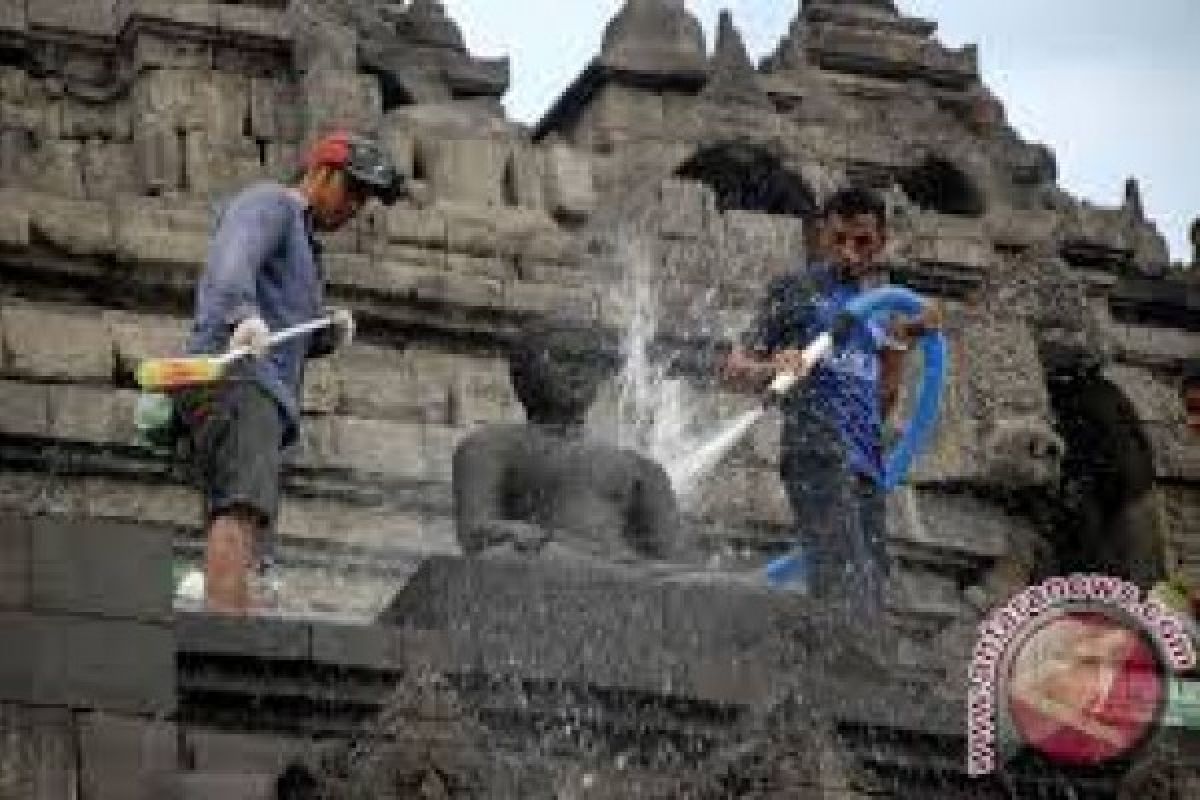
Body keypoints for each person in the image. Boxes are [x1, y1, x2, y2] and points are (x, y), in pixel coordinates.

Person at [179, 131, 403, 614]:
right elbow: (230, 257)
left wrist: (323, 333)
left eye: (365, 198)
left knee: (249, 519)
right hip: (238, 377)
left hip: (260, 388)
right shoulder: (271, 205)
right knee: (239, 509)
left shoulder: (306, 247)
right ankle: (228, 637)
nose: (356, 207)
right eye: (353, 190)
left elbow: (284, 329)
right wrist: (242, 315)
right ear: (320, 172)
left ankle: (236, 624)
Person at [720, 186, 942, 623]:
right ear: (822, 235)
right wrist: (773, 369)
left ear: (881, 243)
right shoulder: (795, 290)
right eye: (838, 239)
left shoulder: (882, 312)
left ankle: (838, 671)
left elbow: (881, 404)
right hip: (815, 453)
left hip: (868, 469)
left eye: (862, 242)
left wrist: (903, 343)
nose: (849, 252)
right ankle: (839, 676)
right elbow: (732, 369)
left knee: (873, 589)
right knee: (844, 582)